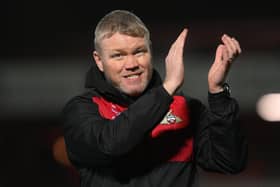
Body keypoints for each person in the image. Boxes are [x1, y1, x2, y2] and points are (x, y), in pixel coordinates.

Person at [62, 9, 248, 187]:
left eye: (139, 52)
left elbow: (230, 162)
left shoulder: (185, 107)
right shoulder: (82, 110)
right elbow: (110, 145)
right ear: (99, 61)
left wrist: (218, 93)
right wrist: (166, 89)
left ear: (150, 52)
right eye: (118, 56)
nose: (132, 64)